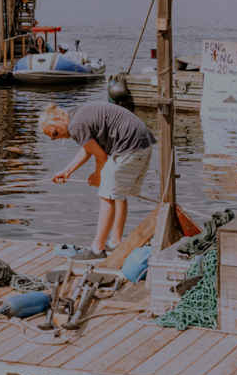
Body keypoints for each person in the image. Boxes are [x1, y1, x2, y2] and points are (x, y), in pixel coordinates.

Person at [41, 102, 155, 258]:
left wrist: (98, 175)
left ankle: (97, 249)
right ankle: (115, 242)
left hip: (130, 146)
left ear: (58, 117)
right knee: (117, 194)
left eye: (54, 133)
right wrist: (67, 171)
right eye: (53, 138)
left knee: (106, 195)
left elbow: (101, 156)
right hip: (142, 143)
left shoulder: (75, 125)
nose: (57, 138)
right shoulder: (76, 114)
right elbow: (88, 148)